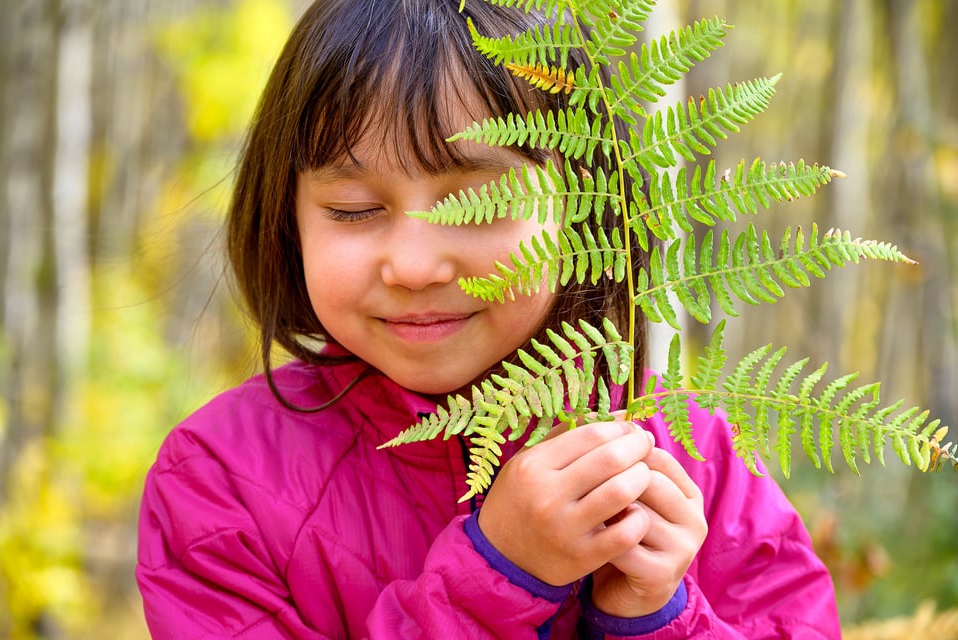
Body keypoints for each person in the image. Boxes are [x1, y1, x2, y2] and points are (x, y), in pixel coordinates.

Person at [136, 0, 842, 638]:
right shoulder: (219, 482)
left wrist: (656, 617)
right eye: (354, 210)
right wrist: (493, 580)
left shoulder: (692, 461)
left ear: (583, 212)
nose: (413, 266)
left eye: (477, 203)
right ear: (285, 218)